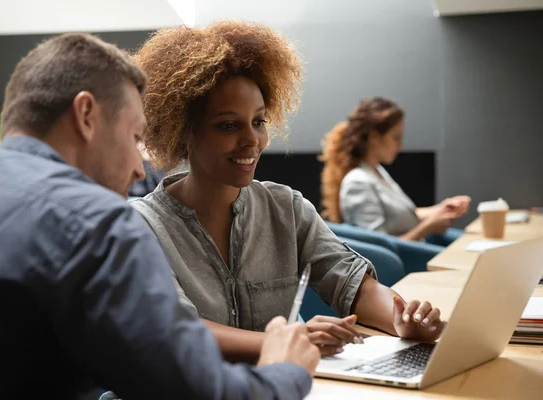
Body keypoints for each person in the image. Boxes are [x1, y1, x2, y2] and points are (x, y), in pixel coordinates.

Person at [0, 32, 321, 400]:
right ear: (86, 114)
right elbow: (195, 390)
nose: (140, 170)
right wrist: (284, 370)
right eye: (134, 138)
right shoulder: (97, 224)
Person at [130, 21, 446, 365]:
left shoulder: (285, 208)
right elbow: (176, 328)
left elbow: (352, 284)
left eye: (259, 121)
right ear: (183, 132)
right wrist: (286, 342)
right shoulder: (142, 225)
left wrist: (401, 319)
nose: (253, 140)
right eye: (228, 125)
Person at [320, 97, 471, 241]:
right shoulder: (357, 182)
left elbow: (403, 216)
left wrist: (441, 209)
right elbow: (378, 249)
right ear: (374, 137)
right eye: (396, 137)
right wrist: (429, 226)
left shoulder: (377, 171)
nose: (400, 146)